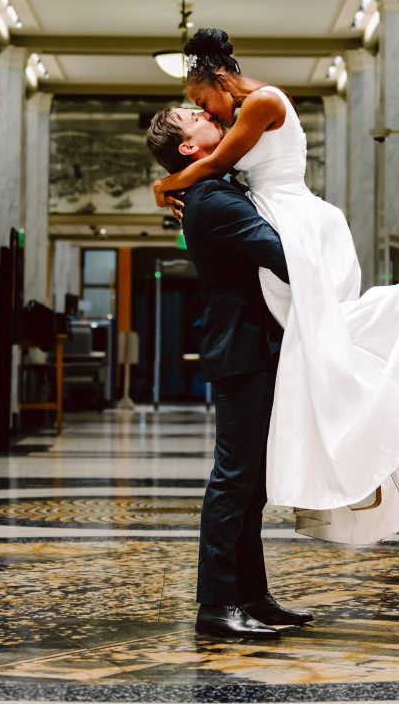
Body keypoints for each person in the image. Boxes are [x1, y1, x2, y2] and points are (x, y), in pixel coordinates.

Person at [152, 27, 399, 546]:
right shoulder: (226, 158)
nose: (210, 113)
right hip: (280, 222)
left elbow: (217, 163)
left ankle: (365, 416)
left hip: (299, 222)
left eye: (203, 101)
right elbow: (216, 169)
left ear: (219, 78)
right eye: (199, 111)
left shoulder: (261, 103)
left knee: (328, 336)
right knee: (317, 343)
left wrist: (162, 184)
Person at [146, 106, 314, 639]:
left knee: (252, 484)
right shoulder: (214, 198)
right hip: (242, 349)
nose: (203, 112)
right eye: (189, 115)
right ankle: (216, 605)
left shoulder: (212, 187)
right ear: (188, 148)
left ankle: (253, 597)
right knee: (234, 479)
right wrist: (321, 243)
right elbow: (281, 254)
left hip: (253, 346)